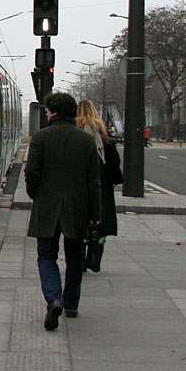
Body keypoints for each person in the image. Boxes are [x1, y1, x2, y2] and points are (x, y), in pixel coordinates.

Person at [25, 92, 101, 330]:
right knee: (75, 257)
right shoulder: (86, 141)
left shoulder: (39, 138)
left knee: (46, 256)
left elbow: (32, 174)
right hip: (78, 208)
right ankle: (71, 304)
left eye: (47, 111)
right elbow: (93, 181)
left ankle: (53, 298)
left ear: (53, 111)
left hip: (46, 207)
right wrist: (95, 213)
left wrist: (36, 195)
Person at [77, 100, 119, 270]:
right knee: (100, 218)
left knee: (80, 220)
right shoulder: (102, 132)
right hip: (101, 180)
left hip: (80, 180)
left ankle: (79, 258)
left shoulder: (76, 130)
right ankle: (95, 257)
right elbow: (114, 160)